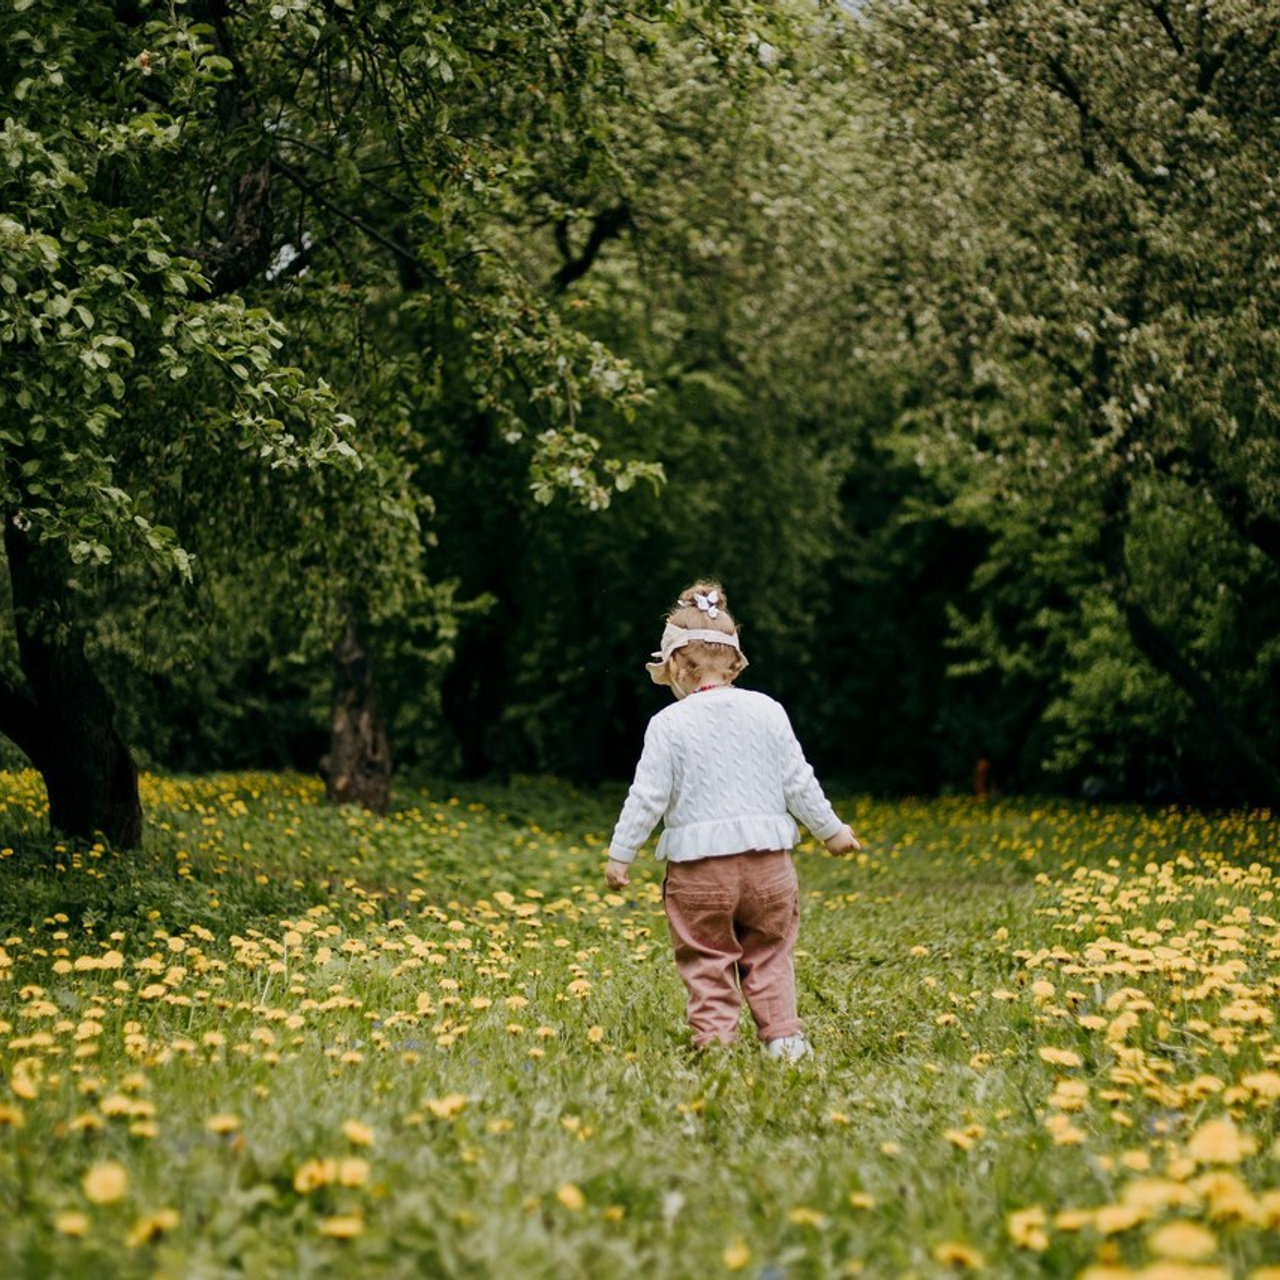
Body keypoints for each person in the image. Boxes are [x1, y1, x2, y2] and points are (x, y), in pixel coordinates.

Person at [604, 580, 860, 1061]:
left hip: (700, 875)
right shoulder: (768, 711)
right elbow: (798, 781)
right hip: (769, 870)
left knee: (706, 956)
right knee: (770, 951)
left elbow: (648, 797)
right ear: (735, 663)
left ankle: (717, 1043)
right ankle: (783, 1039)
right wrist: (832, 831)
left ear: (675, 666)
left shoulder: (668, 725)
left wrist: (622, 854)